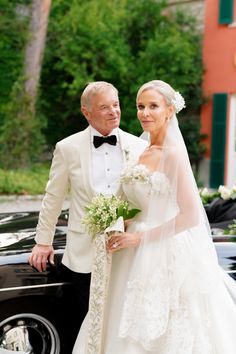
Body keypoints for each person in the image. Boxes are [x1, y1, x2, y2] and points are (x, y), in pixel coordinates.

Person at [73, 80, 236, 354]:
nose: (145, 113)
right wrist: (115, 222)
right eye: (140, 106)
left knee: (165, 325)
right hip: (129, 250)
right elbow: (137, 202)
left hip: (164, 250)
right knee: (118, 318)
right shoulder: (138, 151)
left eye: (153, 106)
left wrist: (139, 237)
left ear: (169, 111)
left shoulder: (173, 155)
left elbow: (190, 216)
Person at [28, 81, 147, 352]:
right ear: (87, 112)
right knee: (86, 324)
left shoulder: (136, 147)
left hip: (126, 253)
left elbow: (144, 197)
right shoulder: (67, 148)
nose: (113, 112)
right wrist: (43, 241)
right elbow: (53, 197)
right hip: (83, 255)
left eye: (116, 105)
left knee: (123, 321)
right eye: (104, 107)